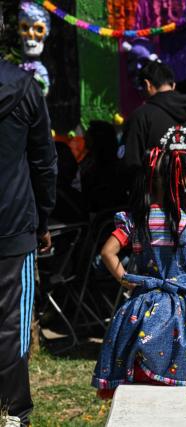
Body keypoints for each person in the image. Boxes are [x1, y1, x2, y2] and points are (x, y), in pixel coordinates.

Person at [92, 147, 186, 398]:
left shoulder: (135, 221)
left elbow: (107, 253)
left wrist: (126, 280)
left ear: (145, 179)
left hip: (146, 302)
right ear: (181, 180)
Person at [0, 58, 57, 426]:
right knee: (11, 323)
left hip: (16, 224)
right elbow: (43, 160)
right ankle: (13, 411)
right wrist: (44, 218)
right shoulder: (24, 86)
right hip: (13, 222)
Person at [122, 61, 186, 209]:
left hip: (152, 209)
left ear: (147, 84)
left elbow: (130, 163)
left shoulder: (141, 116)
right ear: (173, 85)